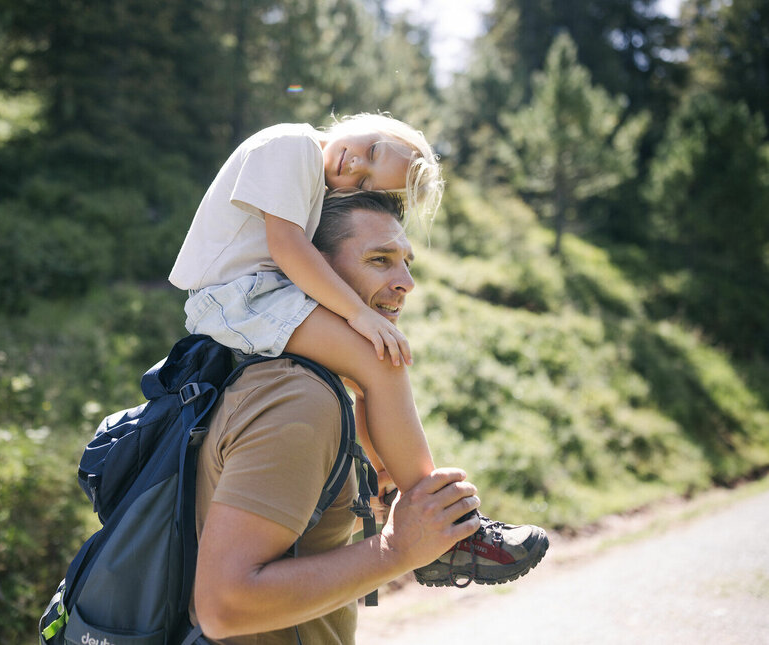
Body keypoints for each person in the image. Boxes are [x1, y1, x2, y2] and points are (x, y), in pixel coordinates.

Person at [169, 114, 547, 588]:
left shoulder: (312, 172)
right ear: (364, 124)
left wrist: (382, 461)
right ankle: (449, 534)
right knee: (377, 358)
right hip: (239, 296)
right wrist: (359, 314)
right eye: (369, 153)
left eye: (367, 180)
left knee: (368, 374)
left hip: (260, 293)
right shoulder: (292, 144)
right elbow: (288, 248)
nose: (353, 170)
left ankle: (391, 487)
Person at [191, 192, 483, 644]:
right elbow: (224, 607)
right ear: (312, 269)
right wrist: (398, 550)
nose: (406, 281)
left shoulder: (295, 379)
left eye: (407, 262)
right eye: (380, 260)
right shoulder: (299, 400)